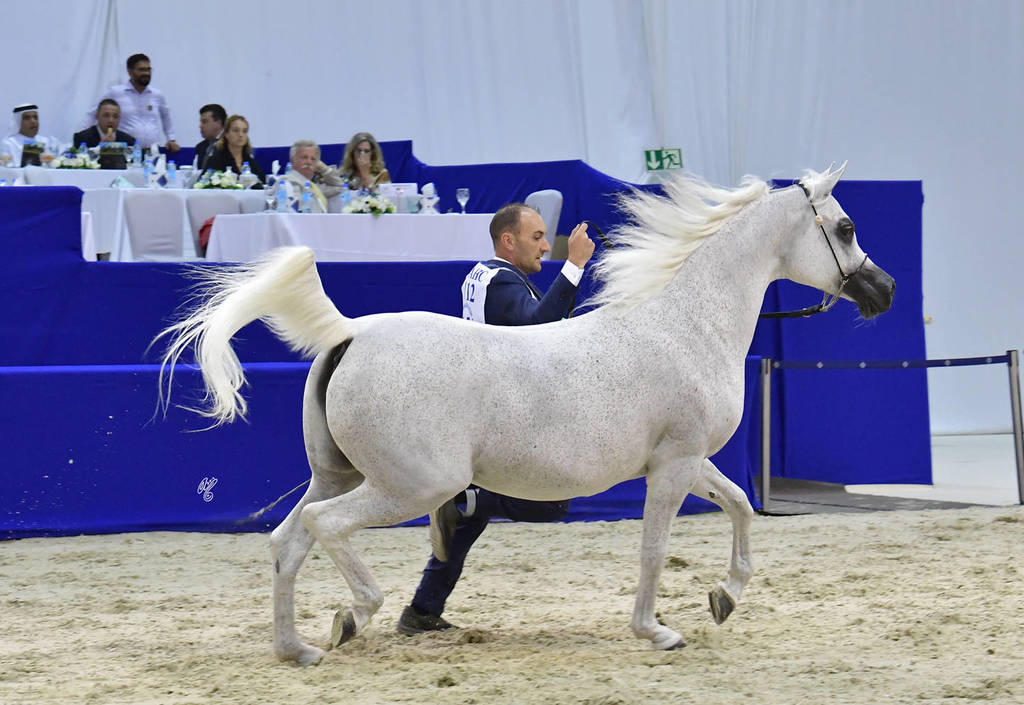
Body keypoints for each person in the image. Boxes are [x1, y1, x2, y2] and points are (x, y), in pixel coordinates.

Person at [395, 203, 596, 635]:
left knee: (467, 526)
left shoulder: (484, 275)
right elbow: (537, 326)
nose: (546, 245)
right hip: (505, 415)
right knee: (550, 503)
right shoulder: (504, 280)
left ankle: (422, 610)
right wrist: (575, 265)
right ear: (509, 241)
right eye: (537, 237)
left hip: (483, 408)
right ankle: (471, 500)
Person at [90, 53, 179, 153]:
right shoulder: (115, 92)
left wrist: (171, 139)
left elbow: (166, 117)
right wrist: (84, 139)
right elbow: (93, 113)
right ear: (130, 71)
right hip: (126, 151)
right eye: (142, 70)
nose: (147, 73)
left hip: (152, 152)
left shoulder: (157, 94)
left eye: (148, 69)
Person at [282, 140, 345, 213]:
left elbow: (339, 186)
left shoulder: (315, 187)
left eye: (313, 159)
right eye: (304, 157)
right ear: (293, 160)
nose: (309, 162)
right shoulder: (287, 182)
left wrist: (324, 168)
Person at [204, 114, 266, 187]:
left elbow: (263, 182)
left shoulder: (249, 160)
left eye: (244, 131)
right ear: (226, 134)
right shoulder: (216, 159)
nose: (240, 135)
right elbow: (204, 184)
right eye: (236, 130)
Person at [72, 99, 136, 148]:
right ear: (97, 116)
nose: (111, 120)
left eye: (115, 116)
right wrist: (101, 147)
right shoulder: (82, 138)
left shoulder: (128, 141)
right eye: (106, 115)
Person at [195, 103, 226, 172]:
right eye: (200, 122)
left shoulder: (230, 145)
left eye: (204, 122)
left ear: (218, 123)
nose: (200, 126)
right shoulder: (200, 147)